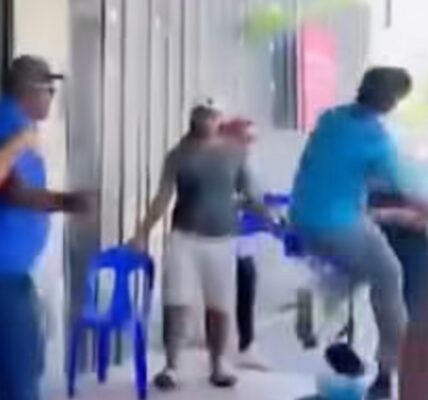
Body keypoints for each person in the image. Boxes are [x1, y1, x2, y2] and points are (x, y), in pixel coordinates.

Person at [289, 67, 427, 399]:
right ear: (390, 100)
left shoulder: (331, 119)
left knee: (354, 271)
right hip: (338, 223)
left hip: (303, 216)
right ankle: (390, 365)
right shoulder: (374, 137)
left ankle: (325, 314)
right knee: (388, 274)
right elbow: (404, 182)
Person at [131, 101, 266, 389]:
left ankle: (219, 365)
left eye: (211, 115)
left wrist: (274, 219)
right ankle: (172, 366)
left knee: (220, 305)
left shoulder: (235, 152)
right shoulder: (178, 154)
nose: (206, 120)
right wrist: (143, 231)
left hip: (222, 238)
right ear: (192, 118)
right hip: (184, 236)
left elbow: (253, 195)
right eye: (201, 114)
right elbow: (163, 197)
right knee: (176, 301)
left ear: (219, 119)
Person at [0, 55, 92, 400]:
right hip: (5, 277)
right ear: (28, 90)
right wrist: (68, 202)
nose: (52, 97)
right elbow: (12, 191)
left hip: (14, 273)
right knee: (21, 377)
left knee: (20, 370)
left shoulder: (20, 126)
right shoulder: (10, 125)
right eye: (48, 89)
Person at [220, 117, 270, 371]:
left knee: (246, 283)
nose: (249, 145)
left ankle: (245, 345)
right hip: (220, 235)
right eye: (245, 139)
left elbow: (255, 198)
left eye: (252, 140)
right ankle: (230, 348)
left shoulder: (246, 162)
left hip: (242, 237)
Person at [368, 190, 428, 400]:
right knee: (387, 306)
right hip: (384, 231)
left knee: (415, 315)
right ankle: (386, 373)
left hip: (417, 240)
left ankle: (394, 377)